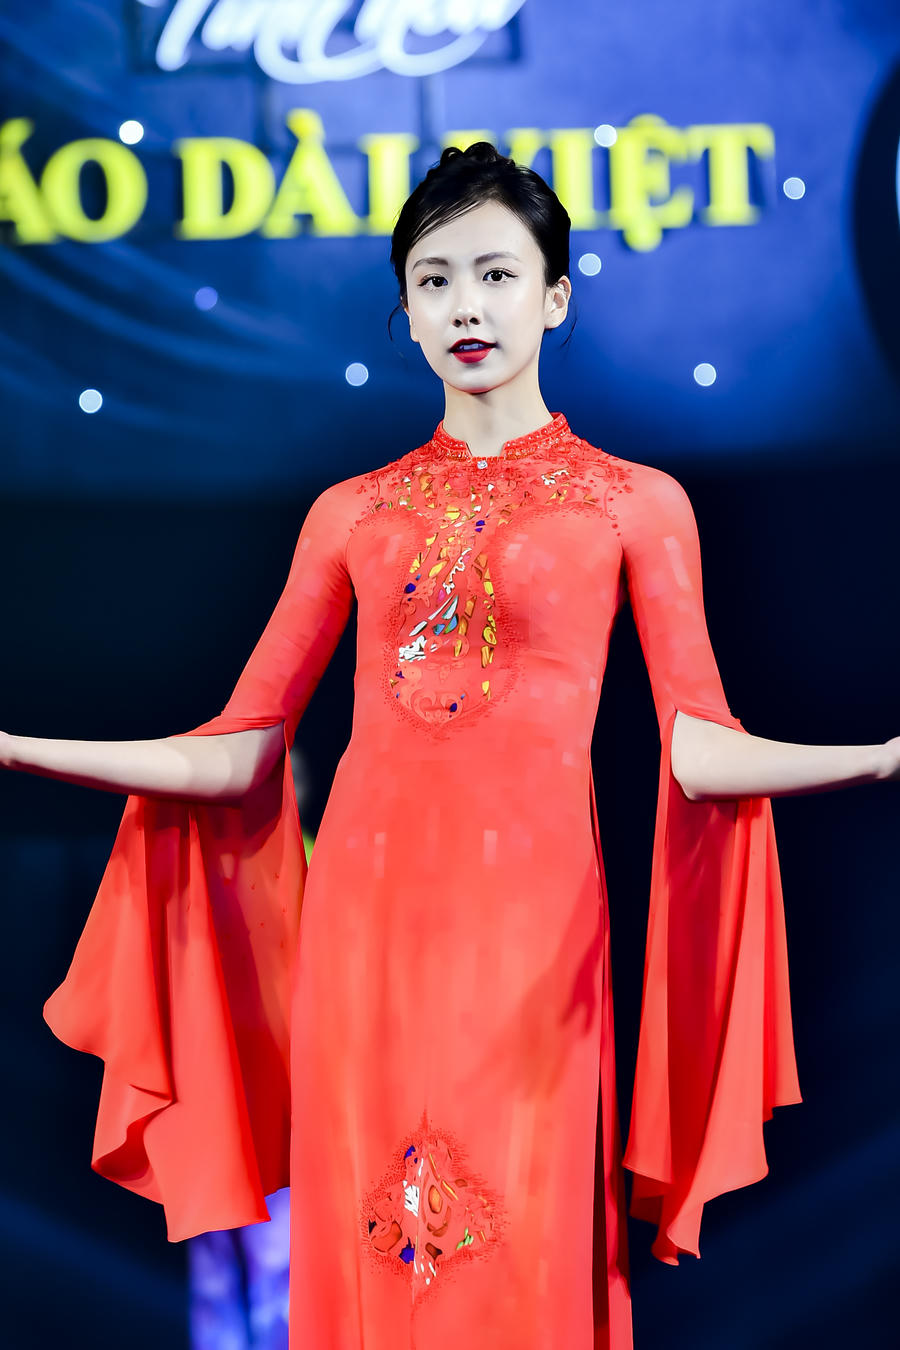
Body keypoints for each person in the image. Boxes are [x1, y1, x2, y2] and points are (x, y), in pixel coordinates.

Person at [2, 141, 897, 1349]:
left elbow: (699, 747)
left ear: (556, 297)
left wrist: (879, 756)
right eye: (434, 281)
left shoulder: (636, 503)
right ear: (407, 311)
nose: (465, 306)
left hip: (540, 934)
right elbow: (238, 750)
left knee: (526, 1231)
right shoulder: (351, 512)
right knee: (380, 1241)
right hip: (364, 933)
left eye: (496, 275)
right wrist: (18, 746)